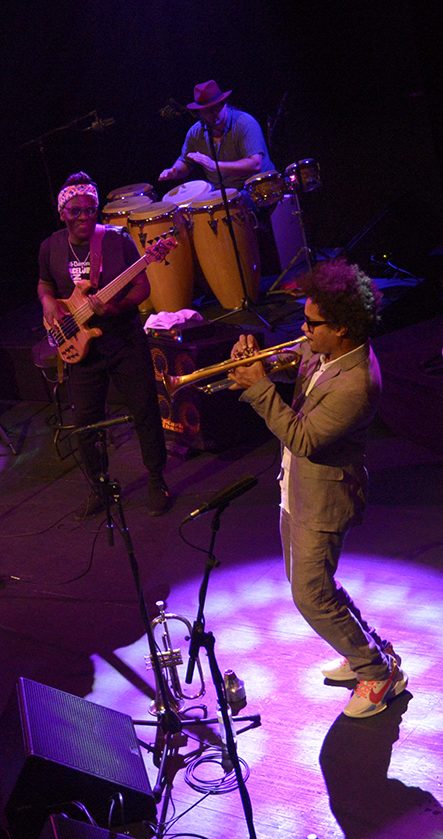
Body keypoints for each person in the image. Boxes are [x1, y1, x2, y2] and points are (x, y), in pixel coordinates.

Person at [227, 258, 408, 719]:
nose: (303, 331)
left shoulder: (357, 384)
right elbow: (299, 371)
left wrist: (259, 389)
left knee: (309, 595)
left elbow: (304, 438)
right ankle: (369, 648)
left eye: (312, 324)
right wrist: (259, 361)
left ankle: (376, 670)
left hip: (325, 499)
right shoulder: (327, 350)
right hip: (297, 489)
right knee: (313, 585)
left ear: (343, 328)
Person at [37, 172, 171, 518]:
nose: (84, 217)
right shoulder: (50, 246)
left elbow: (142, 288)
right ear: (62, 213)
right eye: (76, 211)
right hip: (80, 349)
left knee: (144, 410)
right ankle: (99, 486)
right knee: (85, 422)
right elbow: (44, 284)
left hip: (123, 340)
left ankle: (157, 480)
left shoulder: (116, 240)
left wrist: (114, 307)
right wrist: (49, 302)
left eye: (90, 210)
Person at [159, 79, 275, 191]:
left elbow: (255, 164)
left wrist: (215, 166)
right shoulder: (195, 132)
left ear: (224, 104)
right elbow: (186, 162)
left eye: (216, 108)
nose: (213, 114)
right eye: (207, 111)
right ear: (200, 113)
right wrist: (175, 171)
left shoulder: (244, 123)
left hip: (258, 187)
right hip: (223, 192)